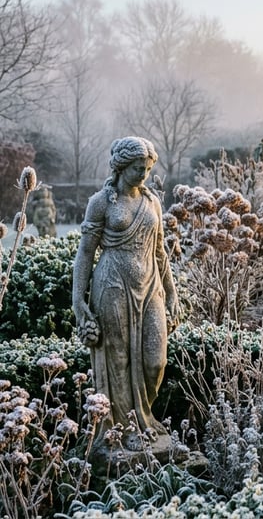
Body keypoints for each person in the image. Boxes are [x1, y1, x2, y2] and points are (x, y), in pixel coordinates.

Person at [72, 137, 179, 451]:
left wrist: (172, 294)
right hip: (112, 286)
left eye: (147, 168)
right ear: (121, 167)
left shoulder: (153, 202)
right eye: (137, 168)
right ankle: (125, 426)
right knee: (117, 360)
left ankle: (144, 416)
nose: (143, 174)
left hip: (150, 288)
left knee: (155, 361)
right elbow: (84, 254)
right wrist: (79, 299)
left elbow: (160, 253)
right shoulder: (102, 202)